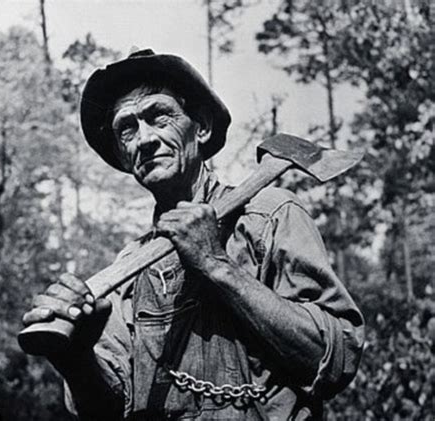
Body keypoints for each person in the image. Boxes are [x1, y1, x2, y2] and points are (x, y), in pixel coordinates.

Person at [22, 49, 364, 420]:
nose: (144, 139)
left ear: (200, 127)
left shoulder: (268, 216)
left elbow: (336, 360)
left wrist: (216, 264)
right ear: (123, 156)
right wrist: (75, 358)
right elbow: (104, 410)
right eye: (127, 128)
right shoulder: (127, 271)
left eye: (159, 117)